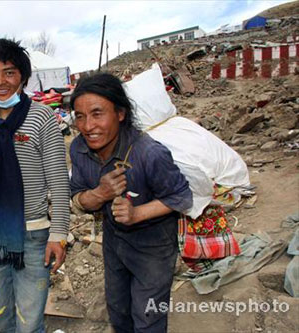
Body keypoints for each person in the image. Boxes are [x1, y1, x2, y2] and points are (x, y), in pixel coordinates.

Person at [69, 73, 193, 333]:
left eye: (97, 113)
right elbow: (78, 196)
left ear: (120, 114)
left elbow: (181, 197)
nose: (88, 126)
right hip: (114, 242)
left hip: (154, 246)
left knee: (148, 318)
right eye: (80, 116)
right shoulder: (79, 149)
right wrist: (99, 194)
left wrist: (138, 213)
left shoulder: (149, 153)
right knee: (119, 311)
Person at [0, 38, 70, 333]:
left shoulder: (42, 118)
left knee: (29, 321)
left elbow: (59, 183)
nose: (0, 81)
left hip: (34, 237)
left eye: (9, 72)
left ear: (22, 76)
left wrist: (59, 235)